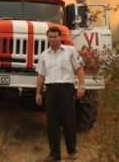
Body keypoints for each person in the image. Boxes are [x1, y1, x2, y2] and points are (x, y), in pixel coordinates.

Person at [35, 27, 86, 162]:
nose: (52, 39)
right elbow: (41, 75)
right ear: (48, 38)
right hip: (51, 90)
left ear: (60, 37)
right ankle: (54, 154)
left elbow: (79, 69)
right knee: (52, 123)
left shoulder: (70, 51)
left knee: (69, 121)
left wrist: (82, 86)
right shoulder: (44, 55)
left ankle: (71, 151)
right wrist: (38, 93)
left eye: (55, 36)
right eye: (50, 37)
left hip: (66, 89)